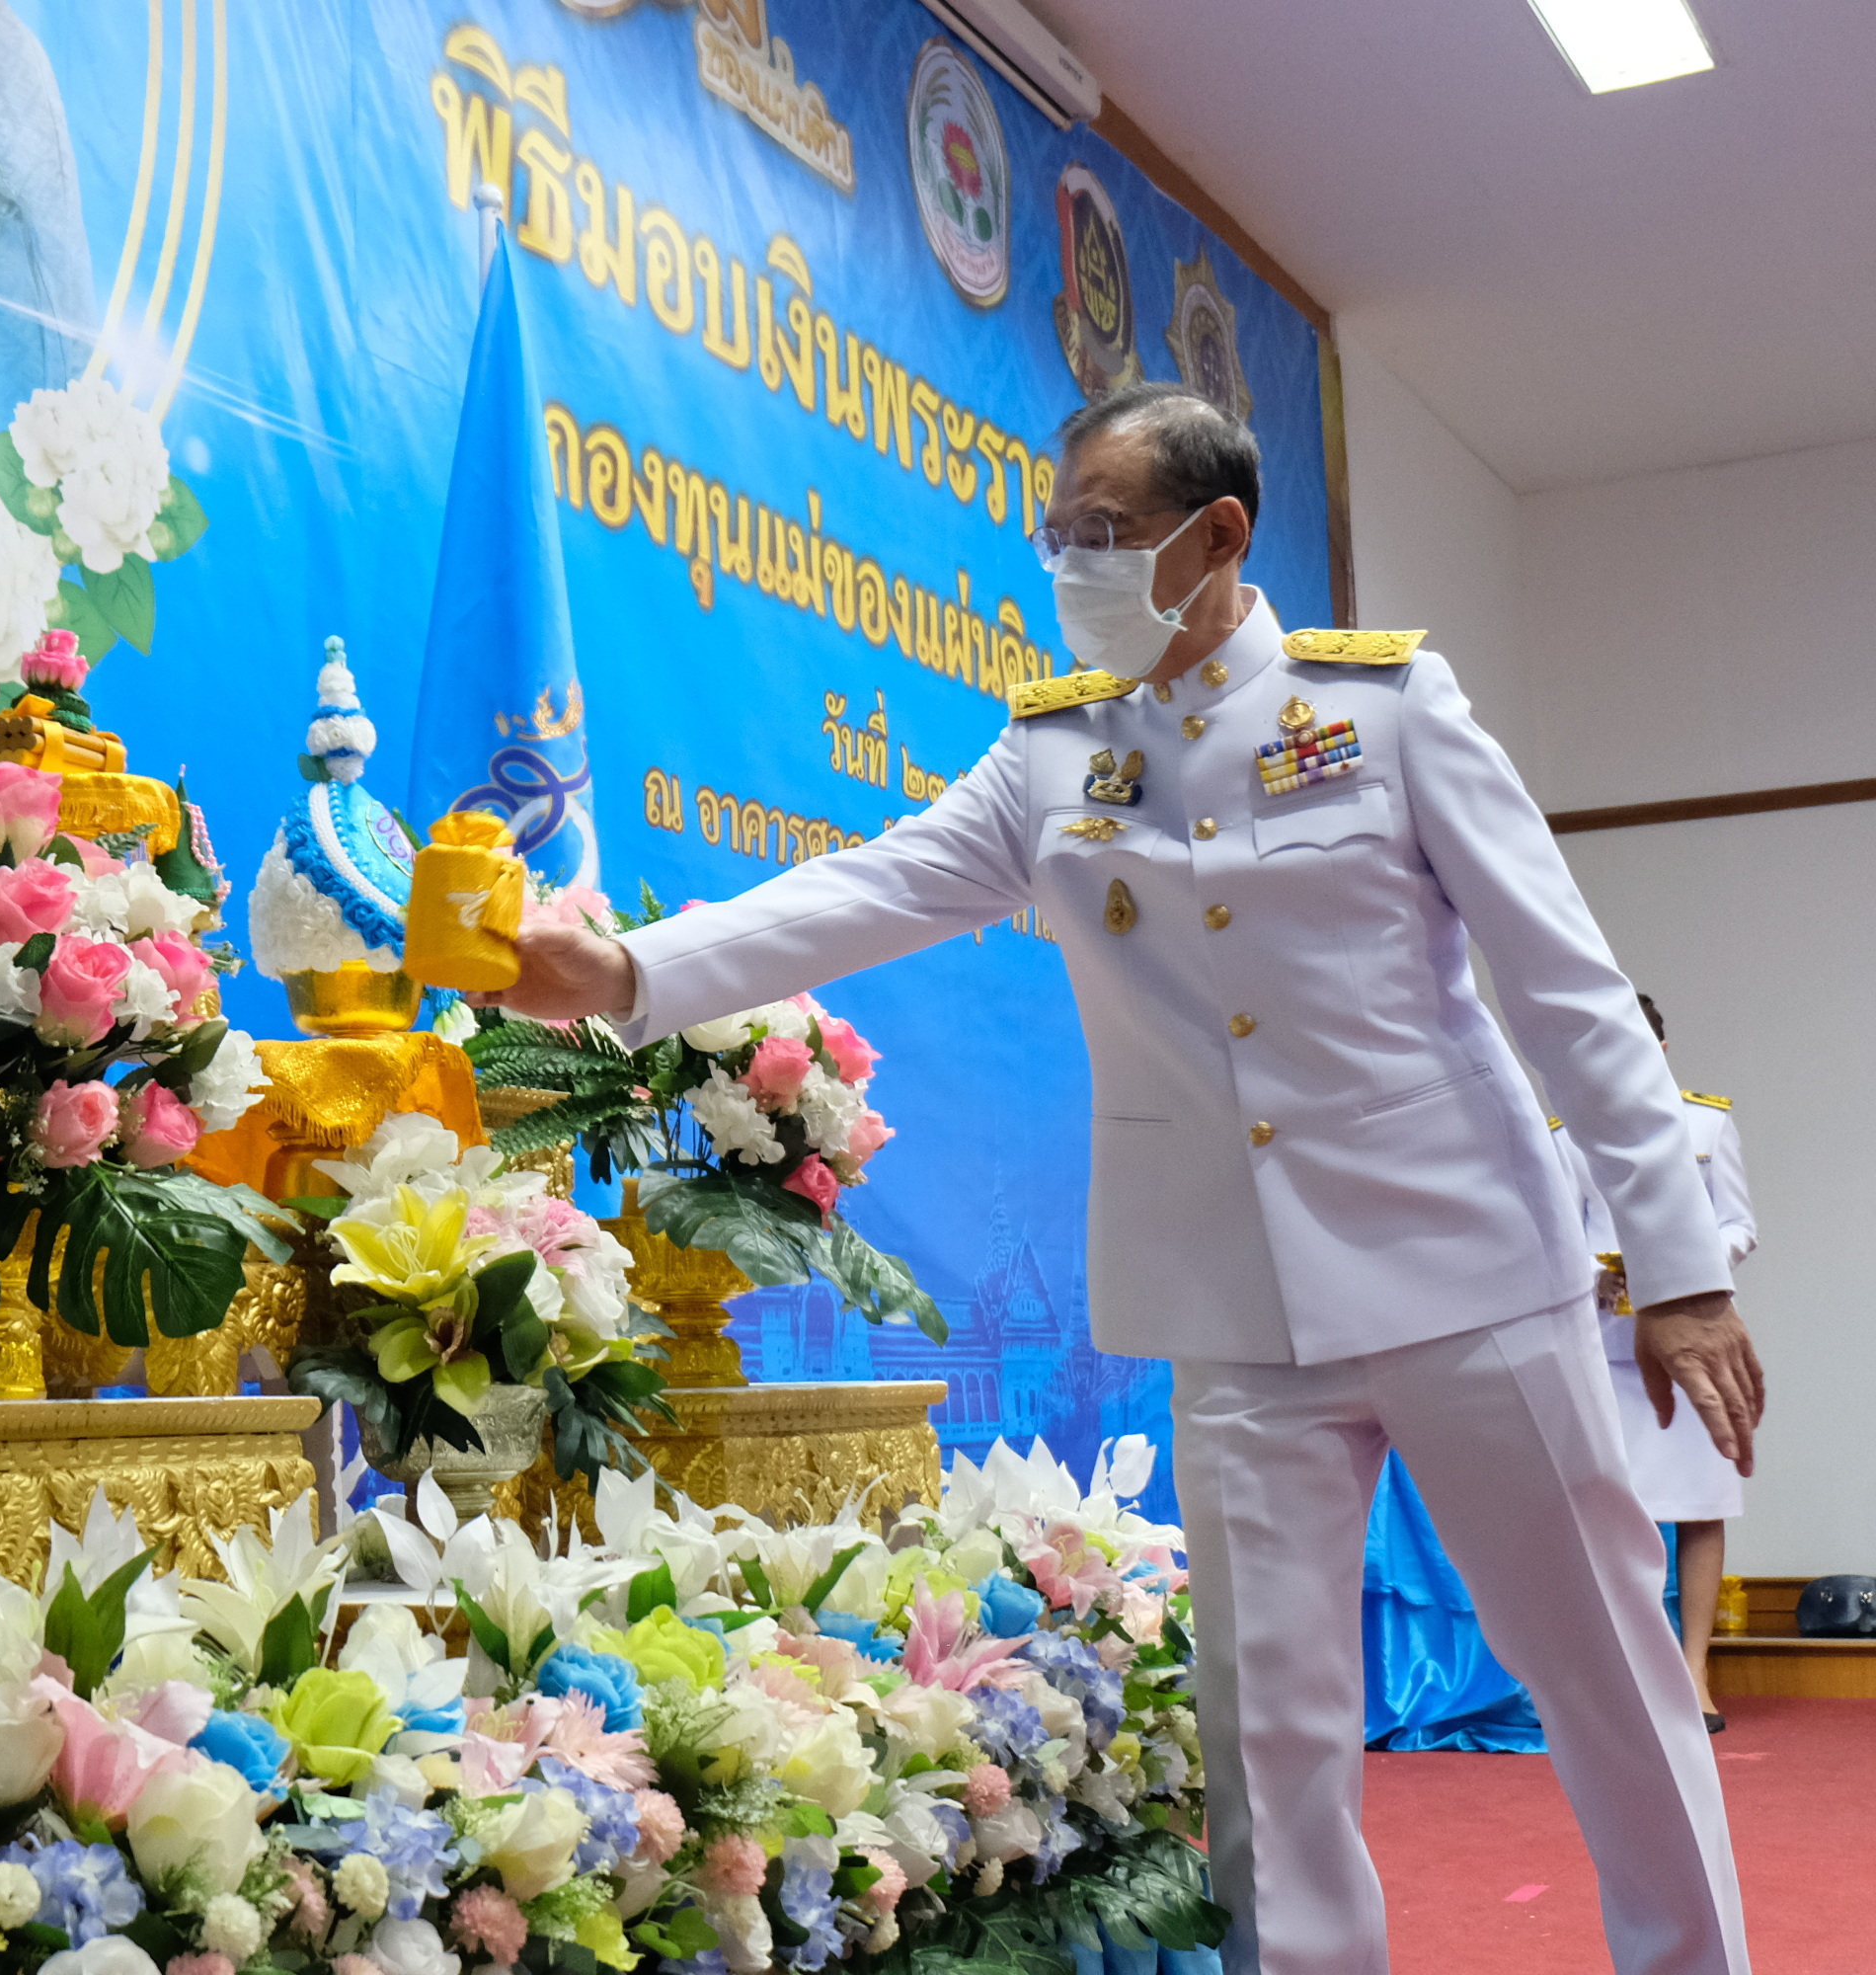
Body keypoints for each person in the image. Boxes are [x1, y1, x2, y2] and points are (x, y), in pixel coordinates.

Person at [479, 382, 1764, 1974]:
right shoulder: (1053, 753)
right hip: (1231, 1309)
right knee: (1266, 1740)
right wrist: (620, 972)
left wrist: (1683, 1267)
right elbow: (872, 887)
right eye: (1058, 531)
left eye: (1105, 529)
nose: (1071, 560)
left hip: (1469, 1276)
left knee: (1603, 1680)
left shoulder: (1386, 708)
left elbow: (1568, 989)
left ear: (1217, 535)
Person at [1559, 993, 1758, 1729]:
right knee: (1610, 1512)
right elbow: (1557, 1238)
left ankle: (1694, 1669)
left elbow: (1738, 1223)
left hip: (1694, 1344)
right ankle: (1624, 1674)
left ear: (1662, 1050)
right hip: (1603, 1349)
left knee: (1701, 1508)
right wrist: (1596, 1274)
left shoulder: (1705, 1123)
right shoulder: (1565, 1133)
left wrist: (1687, 1269)